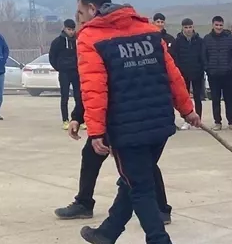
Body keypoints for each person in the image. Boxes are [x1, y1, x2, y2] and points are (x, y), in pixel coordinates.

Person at [74, 0, 198, 244]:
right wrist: (186, 109)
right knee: (132, 181)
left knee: (140, 187)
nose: (80, 19)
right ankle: (106, 235)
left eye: (80, 13)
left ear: (93, 9)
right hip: (159, 124)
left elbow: (94, 89)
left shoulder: (91, 38)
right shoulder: (149, 30)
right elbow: (173, 75)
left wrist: (96, 131)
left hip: (126, 128)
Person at [54, 74, 174, 226]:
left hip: (129, 118)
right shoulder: (98, 57)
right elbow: (93, 91)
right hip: (111, 117)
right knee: (91, 155)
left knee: (142, 161)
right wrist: (77, 117)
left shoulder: (111, 55)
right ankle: (84, 203)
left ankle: (161, 209)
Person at [202, 15, 232, 130]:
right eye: (216, 25)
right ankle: (217, 122)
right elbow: (203, 56)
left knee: (230, 99)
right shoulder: (207, 39)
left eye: (220, 25)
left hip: (228, 75)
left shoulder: (230, 38)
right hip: (213, 75)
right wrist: (208, 68)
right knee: (215, 99)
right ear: (213, 25)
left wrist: (230, 68)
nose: (219, 27)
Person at [171, 18, 206, 125]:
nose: (188, 30)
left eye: (190, 27)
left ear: (193, 27)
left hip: (197, 73)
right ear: (182, 28)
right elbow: (175, 57)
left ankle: (198, 118)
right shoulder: (177, 41)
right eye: (186, 27)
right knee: (184, 98)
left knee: (197, 97)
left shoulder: (199, 41)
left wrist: (201, 68)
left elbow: (202, 56)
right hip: (183, 74)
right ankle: (186, 120)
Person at [49, 19, 80, 128]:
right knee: (65, 96)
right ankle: (65, 120)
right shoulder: (58, 42)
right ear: (64, 28)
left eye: (73, 29)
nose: (71, 32)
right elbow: (52, 57)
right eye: (69, 29)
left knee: (79, 96)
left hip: (76, 71)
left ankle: (79, 119)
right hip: (64, 73)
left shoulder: (78, 41)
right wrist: (59, 67)